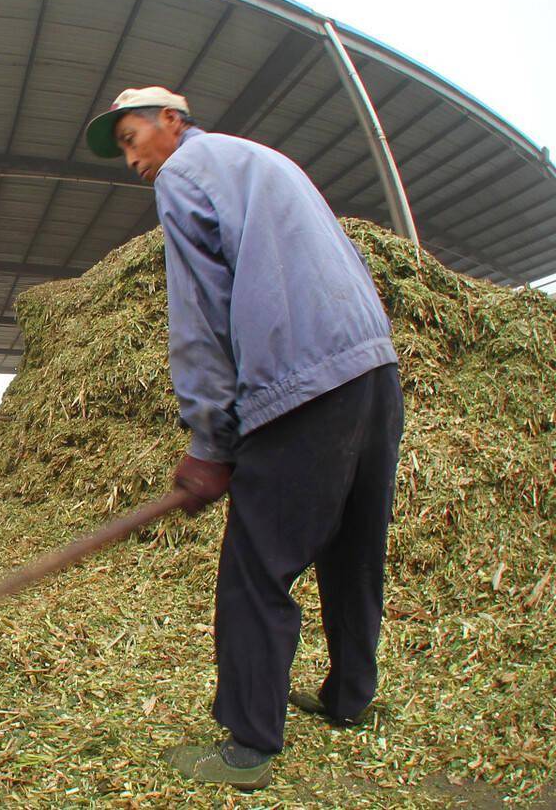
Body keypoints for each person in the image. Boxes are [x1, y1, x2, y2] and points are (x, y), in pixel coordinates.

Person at [85, 87, 404, 789]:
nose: (131, 157)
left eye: (133, 136)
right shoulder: (267, 161)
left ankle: (248, 744)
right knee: (354, 548)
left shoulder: (185, 175)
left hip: (299, 383)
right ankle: (351, 698)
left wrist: (210, 443)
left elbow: (199, 315)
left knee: (257, 569)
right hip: (374, 370)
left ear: (173, 120)